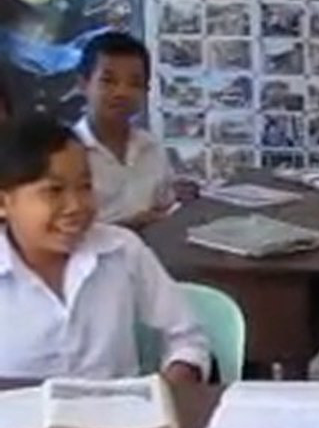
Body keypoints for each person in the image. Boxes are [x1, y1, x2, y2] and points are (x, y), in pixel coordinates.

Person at [0, 115, 209, 382]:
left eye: (85, 186)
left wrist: (173, 386)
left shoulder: (122, 250)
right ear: (4, 203)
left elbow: (187, 337)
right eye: (54, 190)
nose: (76, 206)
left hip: (119, 416)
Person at [73, 31, 196, 229]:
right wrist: (129, 227)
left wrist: (179, 199)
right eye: (108, 81)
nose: (121, 92)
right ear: (83, 84)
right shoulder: (67, 154)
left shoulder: (151, 147)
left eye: (134, 83)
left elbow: (165, 207)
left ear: (146, 91)